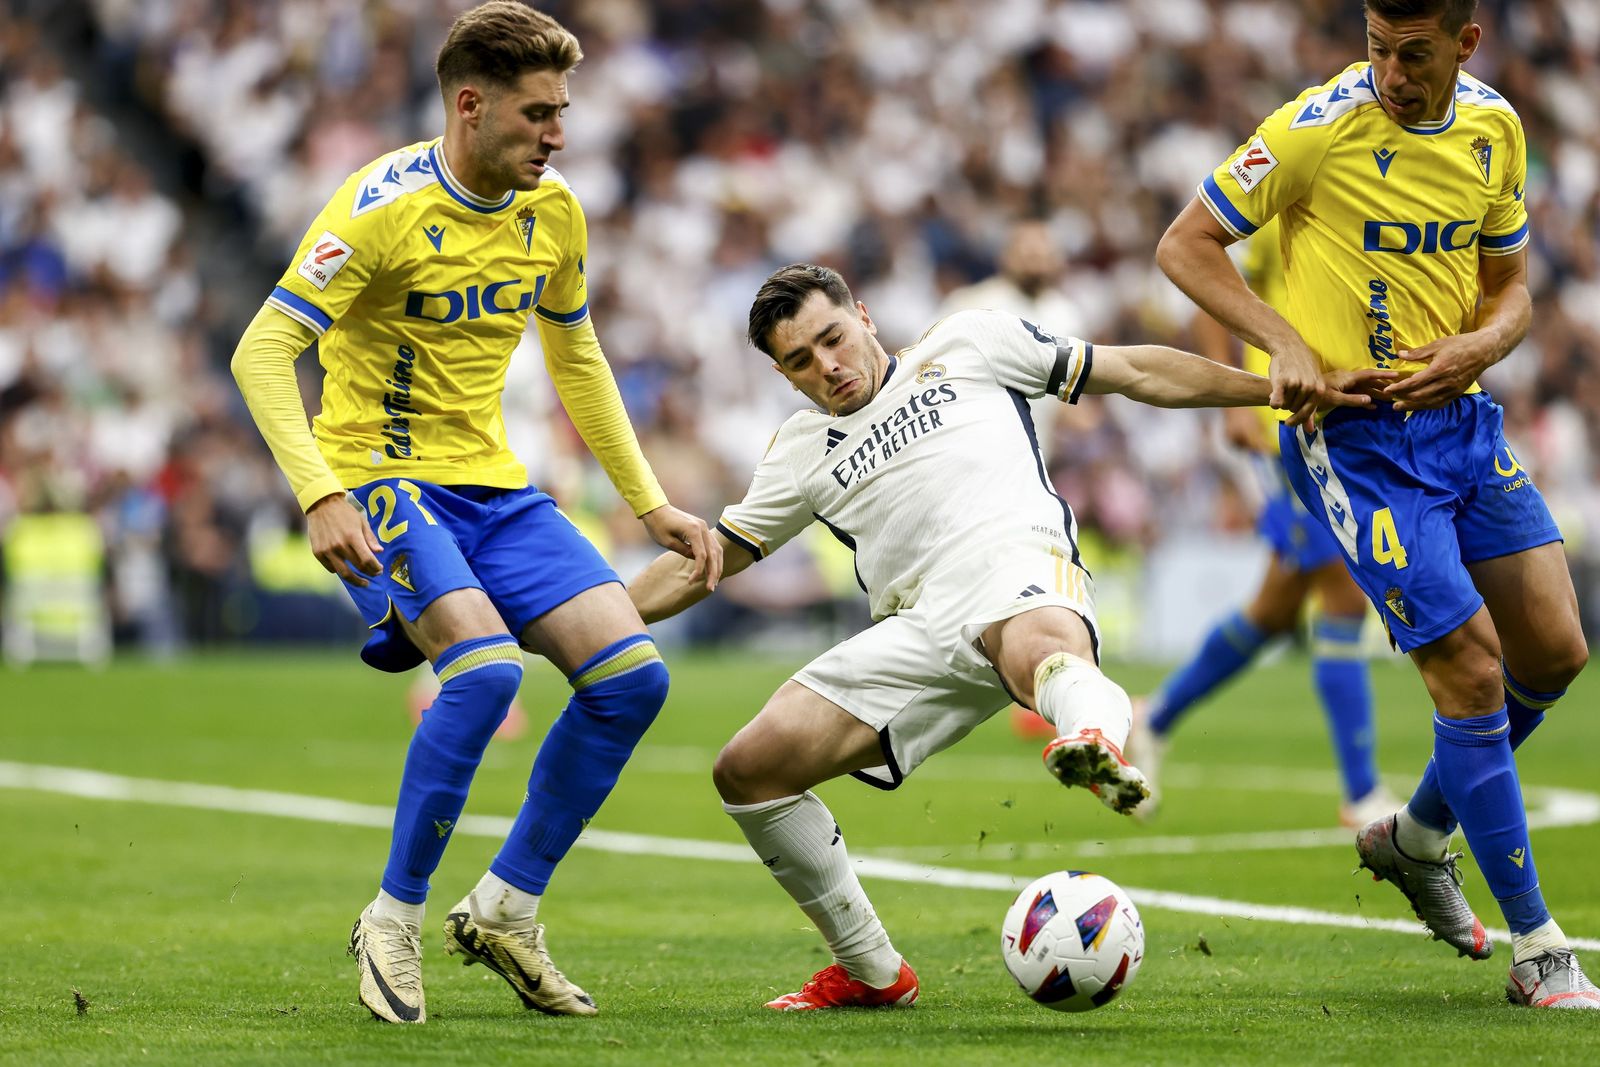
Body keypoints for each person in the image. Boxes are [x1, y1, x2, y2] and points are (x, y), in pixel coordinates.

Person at [627, 263, 1378, 1011]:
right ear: (784, 376)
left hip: (1016, 564)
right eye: (800, 360)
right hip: (915, 628)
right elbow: (705, 562)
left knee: (1038, 647)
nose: (827, 365)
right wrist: (592, 619)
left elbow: (1135, 371)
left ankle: (1095, 738)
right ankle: (871, 969)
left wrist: (1271, 388)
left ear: (863, 315)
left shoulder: (967, 343)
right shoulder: (800, 450)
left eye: (832, 337)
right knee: (749, 769)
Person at [230, 2, 720, 1024]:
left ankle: (505, 906)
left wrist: (650, 503)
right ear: (469, 105)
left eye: (562, 112)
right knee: (489, 671)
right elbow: (262, 352)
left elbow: (575, 355)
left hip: (494, 487)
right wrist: (319, 489)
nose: (558, 132)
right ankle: (392, 917)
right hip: (382, 480)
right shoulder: (378, 205)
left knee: (632, 681)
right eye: (539, 113)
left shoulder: (556, 212)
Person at [1156, 0, 1596, 1009]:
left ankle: (1412, 837)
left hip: (1464, 425)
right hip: (1351, 442)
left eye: (1413, 54)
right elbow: (1184, 245)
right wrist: (1285, 343)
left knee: (1555, 651)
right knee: (1471, 668)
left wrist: (1482, 347)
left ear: (1464, 44)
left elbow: (1511, 287)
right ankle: (1536, 944)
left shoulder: (1494, 127)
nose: (1391, 74)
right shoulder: (1312, 129)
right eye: (1375, 49)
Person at [1128, 216, 1398, 828]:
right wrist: (1234, 400)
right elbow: (1206, 289)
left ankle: (1157, 717)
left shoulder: (1356, 200)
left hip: (1342, 422)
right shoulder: (1283, 207)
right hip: (1291, 425)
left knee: (1274, 611)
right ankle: (1361, 795)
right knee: (1342, 592)